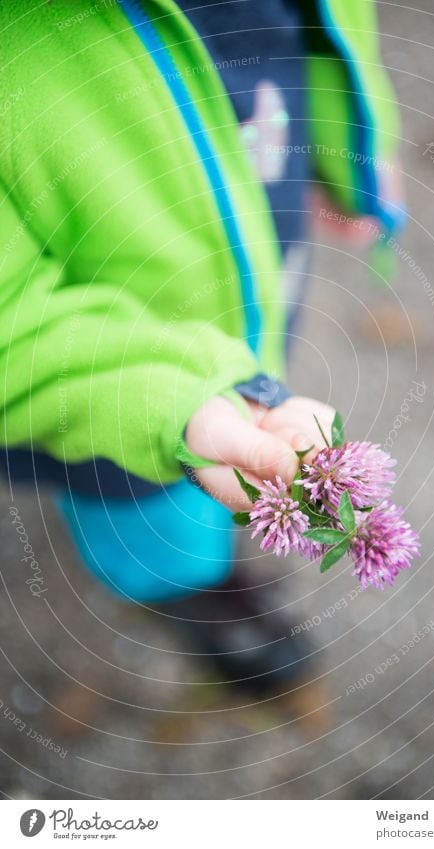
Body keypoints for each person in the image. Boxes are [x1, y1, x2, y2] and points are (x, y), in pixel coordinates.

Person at [0, 0, 404, 694]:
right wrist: (177, 397)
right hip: (95, 373)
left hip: (257, 229)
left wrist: (357, 149)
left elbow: (335, 23)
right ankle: (179, 585)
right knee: (135, 488)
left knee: (263, 353)